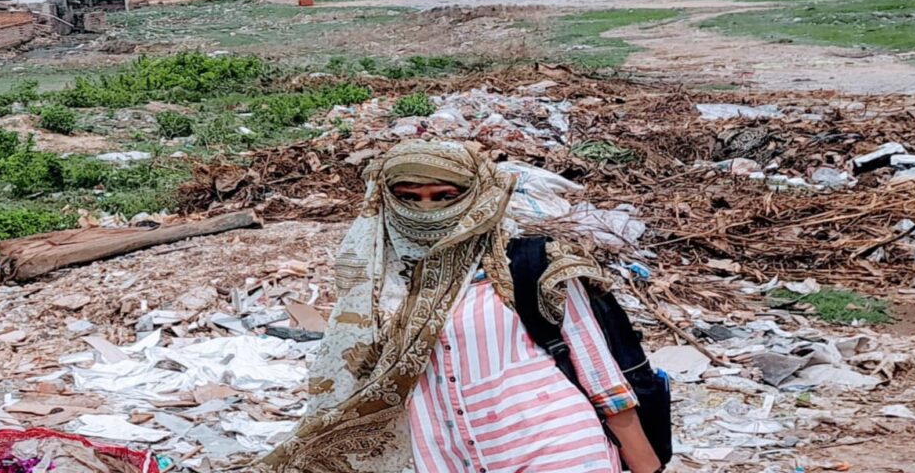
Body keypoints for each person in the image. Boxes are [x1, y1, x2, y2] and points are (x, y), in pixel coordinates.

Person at [258, 140, 661, 473]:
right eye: (409, 198)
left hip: (555, 444)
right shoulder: (375, 288)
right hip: (451, 455)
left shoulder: (530, 264)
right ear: (386, 201)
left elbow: (597, 366)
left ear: (475, 196)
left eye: (445, 197)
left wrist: (645, 464)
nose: (427, 210)